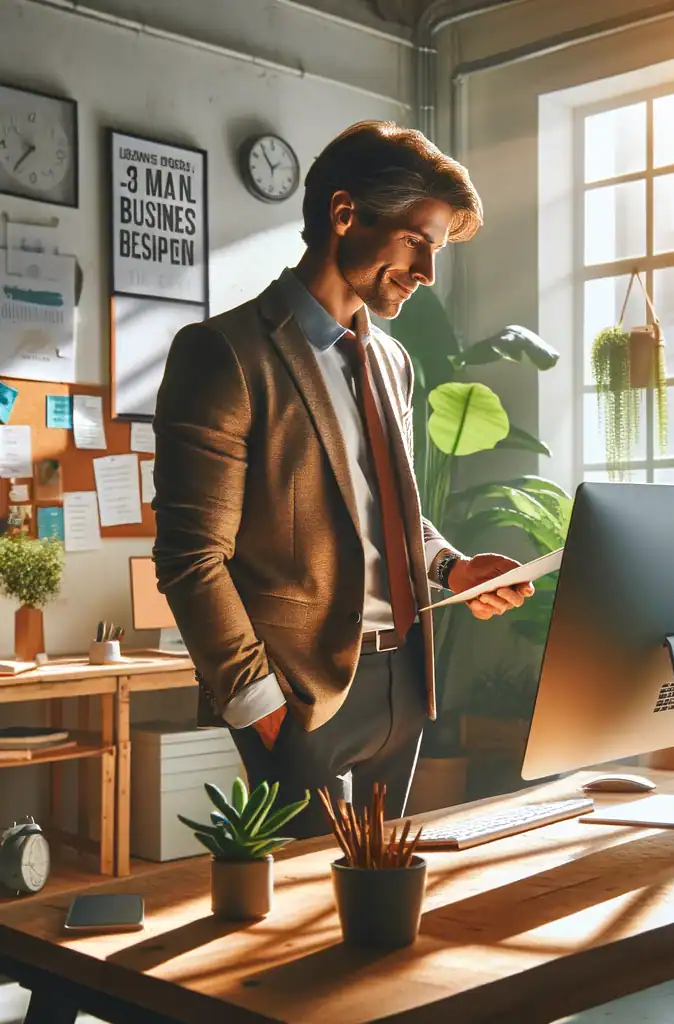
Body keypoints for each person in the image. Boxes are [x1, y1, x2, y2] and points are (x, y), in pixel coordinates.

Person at [152, 121, 533, 837]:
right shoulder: (223, 355)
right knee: (305, 926)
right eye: (417, 241)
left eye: (436, 252)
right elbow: (190, 558)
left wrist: (454, 570)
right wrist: (258, 707)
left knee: (382, 917)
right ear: (345, 214)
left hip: (403, 687)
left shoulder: (391, 362)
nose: (426, 272)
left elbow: (387, 515)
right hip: (298, 700)